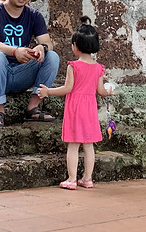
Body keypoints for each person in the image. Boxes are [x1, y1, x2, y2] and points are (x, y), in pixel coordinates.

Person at [37, 16, 115, 190]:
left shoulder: (74, 66)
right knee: (89, 145)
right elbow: (101, 92)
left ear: (76, 47)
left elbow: (67, 88)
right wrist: (109, 91)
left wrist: (48, 91)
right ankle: (87, 179)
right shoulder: (98, 68)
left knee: (73, 145)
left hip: (75, 108)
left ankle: (71, 179)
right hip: (90, 110)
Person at [0, 0, 60, 127]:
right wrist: (15, 51)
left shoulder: (34, 16)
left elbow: (48, 43)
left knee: (53, 57)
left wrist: (41, 48)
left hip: (20, 73)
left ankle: (33, 108)